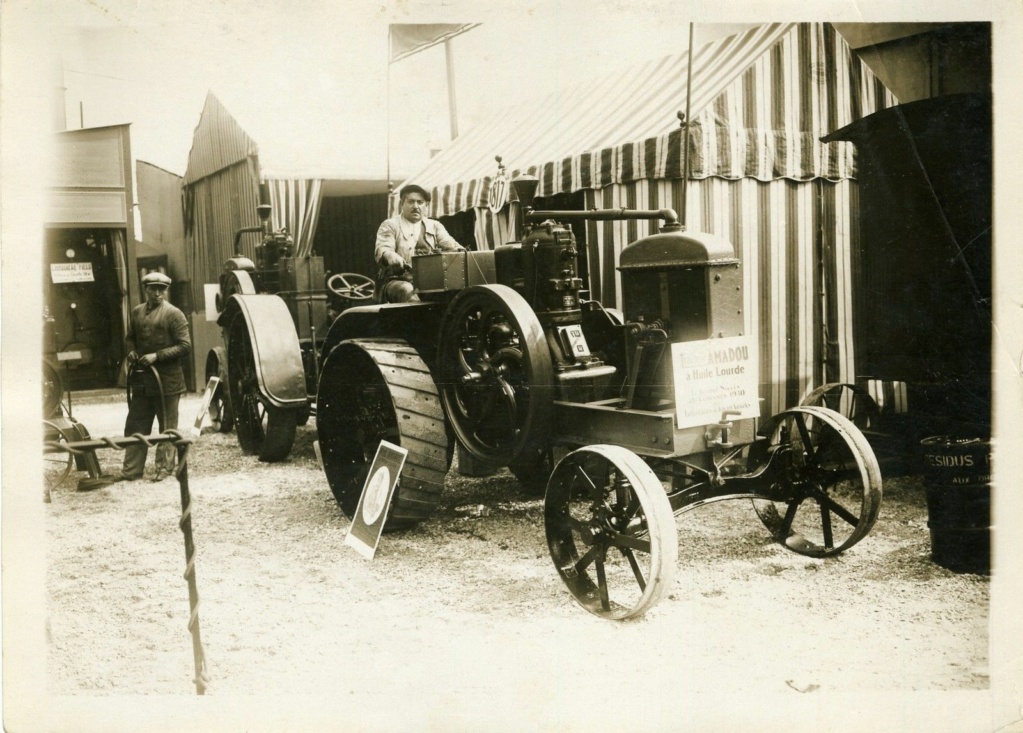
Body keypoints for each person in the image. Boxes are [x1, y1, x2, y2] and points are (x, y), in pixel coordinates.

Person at [114, 272, 192, 482]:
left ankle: (164, 469)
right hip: (142, 381)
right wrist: (131, 351)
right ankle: (131, 470)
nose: (158, 294)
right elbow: (130, 338)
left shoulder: (174, 314)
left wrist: (157, 356)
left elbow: (185, 346)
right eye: (153, 289)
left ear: (166, 291)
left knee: (166, 426)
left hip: (167, 381)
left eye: (162, 289)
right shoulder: (137, 312)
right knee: (136, 424)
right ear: (145, 289)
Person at [375, 183, 464, 302]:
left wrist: (461, 251)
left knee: (457, 293)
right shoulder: (390, 225)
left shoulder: (435, 226)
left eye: (420, 202)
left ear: (426, 205)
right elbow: (383, 248)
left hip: (429, 281)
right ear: (402, 204)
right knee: (407, 291)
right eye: (411, 202)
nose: (415, 206)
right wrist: (391, 256)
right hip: (396, 280)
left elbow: (451, 246)